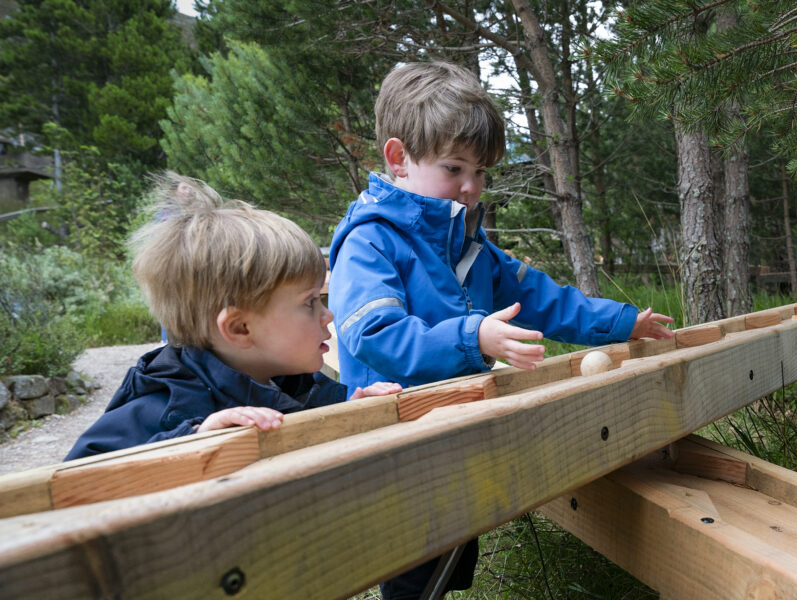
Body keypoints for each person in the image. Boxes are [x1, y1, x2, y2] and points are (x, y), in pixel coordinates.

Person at [328, 61, 674, 599]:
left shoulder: (469, 243)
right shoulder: (371, 243)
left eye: (481, 172)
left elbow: (539, 298)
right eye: (454, 168)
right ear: (399, 159)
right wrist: (473, 338)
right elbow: (375, 335)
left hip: (455, 430)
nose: (470, 187)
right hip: (394, 444)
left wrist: (622, 321)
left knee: (450, 550)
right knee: (413, 569)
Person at [66, 173, 401, 460]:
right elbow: (72, 485)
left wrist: (349, 410)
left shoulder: (294, 385)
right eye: (309, 302)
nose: (327, 316)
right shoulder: (165, 405)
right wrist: (192, 443)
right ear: (240, 328)